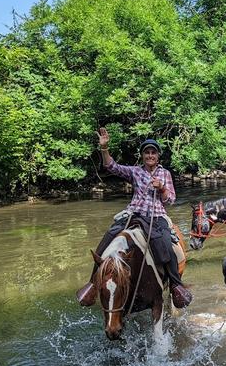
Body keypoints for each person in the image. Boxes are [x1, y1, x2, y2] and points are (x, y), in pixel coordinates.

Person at [76, 128, 193, 309]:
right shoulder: (135, 172)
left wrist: (162, 188)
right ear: (142, 156)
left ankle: (176, 285)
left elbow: (171, 200)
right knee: (109, 237)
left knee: (165, 244)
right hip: (133, 213)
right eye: (147, 152)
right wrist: (104, 148)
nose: (150, 155)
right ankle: (93, 283)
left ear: (158, 156)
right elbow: (111, 166)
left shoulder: (165, 174)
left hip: (156, 215)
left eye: (153, 152)